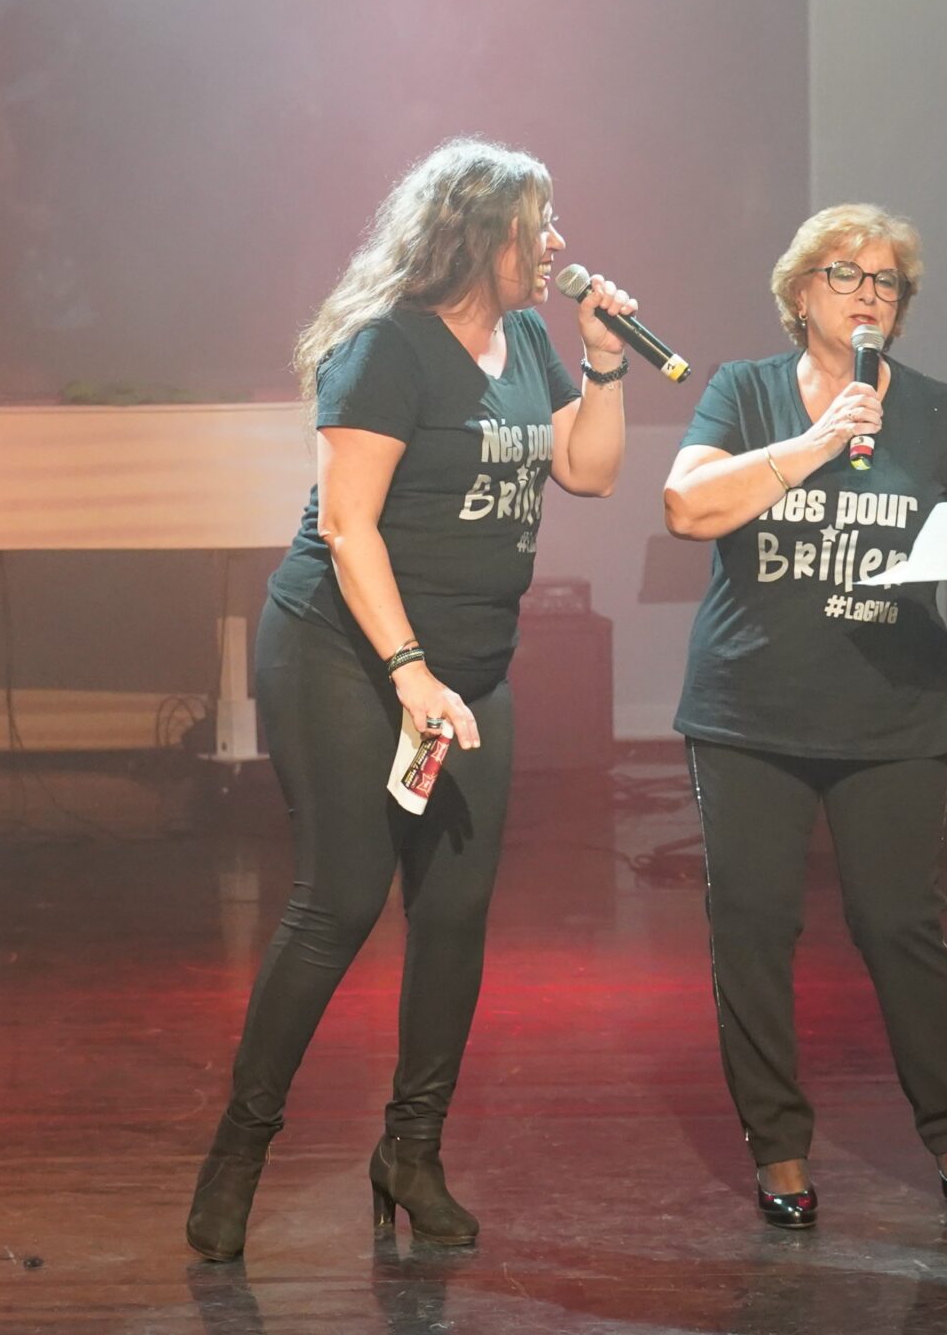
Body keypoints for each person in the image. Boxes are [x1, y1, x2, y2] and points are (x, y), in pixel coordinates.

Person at [184, 137, 637, 1262]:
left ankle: (411, 1152)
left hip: (467, 670)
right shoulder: (384, 348)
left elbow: (586, 470)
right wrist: (409, 673)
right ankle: (240, 1149)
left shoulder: (527, 340)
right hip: (346, 656)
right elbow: (347, 528)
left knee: (453, 915)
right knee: (339, 903)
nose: (557, 243)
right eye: (539, 223)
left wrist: (605, 365)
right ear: (480, 234)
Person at [660, 204, 947, 1227]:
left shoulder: (940, 410)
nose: (868, 294)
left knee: (899, 923)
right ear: (799, 293)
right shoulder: (743, 393)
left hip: (892, 711)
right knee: (752, 927)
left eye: (886, 282)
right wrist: (818, 440)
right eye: (845, 274)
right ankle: (778, 1149)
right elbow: (687, 506)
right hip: (751, 709)